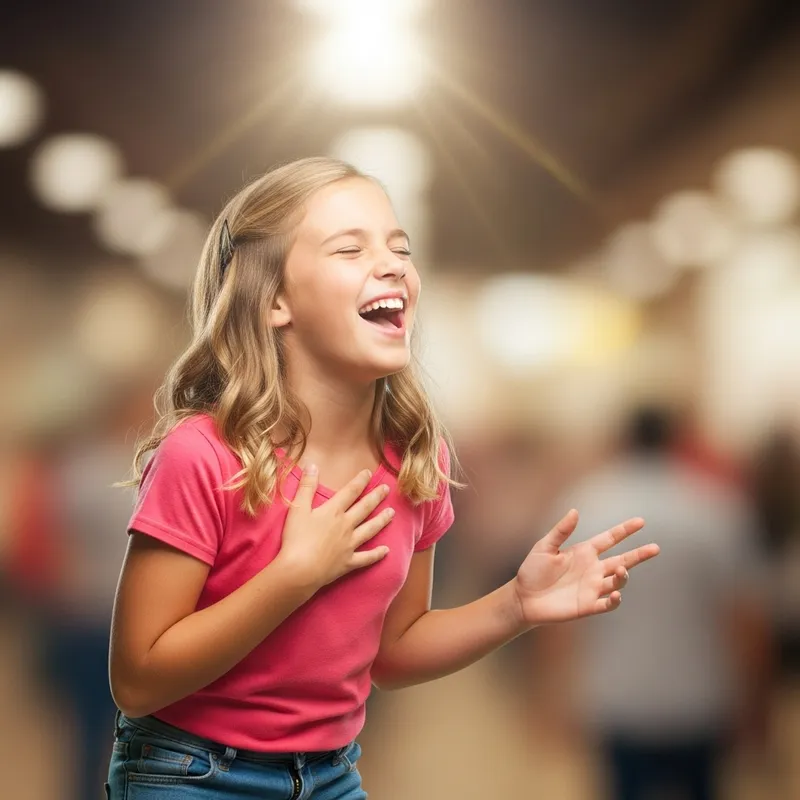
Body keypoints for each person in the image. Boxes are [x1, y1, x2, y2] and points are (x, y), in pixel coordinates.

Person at [106, 156, 659, 800]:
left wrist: (514, 606)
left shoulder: (415, 460)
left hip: (330, 775)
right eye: (350, 248)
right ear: (275, 300)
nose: (393, 262)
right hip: (189, 773)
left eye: (401, 247)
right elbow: (138, 678)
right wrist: (294, 575)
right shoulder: (204, 454)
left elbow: (392, 653)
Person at [537, 407, 771, 800]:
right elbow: (745, 617)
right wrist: (756, 702)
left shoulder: (587, 506)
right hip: (701, 699)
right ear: (677, 441)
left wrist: (550, 696)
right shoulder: (716, 506)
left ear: (622, 441)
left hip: (617, 698)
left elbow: (559, 621)